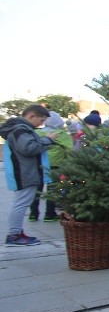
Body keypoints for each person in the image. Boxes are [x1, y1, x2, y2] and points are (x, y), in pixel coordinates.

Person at [1, 104, 57, 246]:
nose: (42, 124)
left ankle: (17, 232)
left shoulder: (20, 129)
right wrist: (48, 140)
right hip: (24, 172)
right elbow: (29, 148)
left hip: (25, 171)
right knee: (21, 203)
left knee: (21, 202)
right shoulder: (20, 130)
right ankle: (14, 235)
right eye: (41, 120)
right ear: (31, 116)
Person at [28, 112, 73, 222]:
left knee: (37, 191)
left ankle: (33, 214)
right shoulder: (62, 134)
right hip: (55, 166)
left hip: (39, 165)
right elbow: (70, 151)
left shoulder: (37, 132)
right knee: (53, 192)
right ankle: (49, 214)